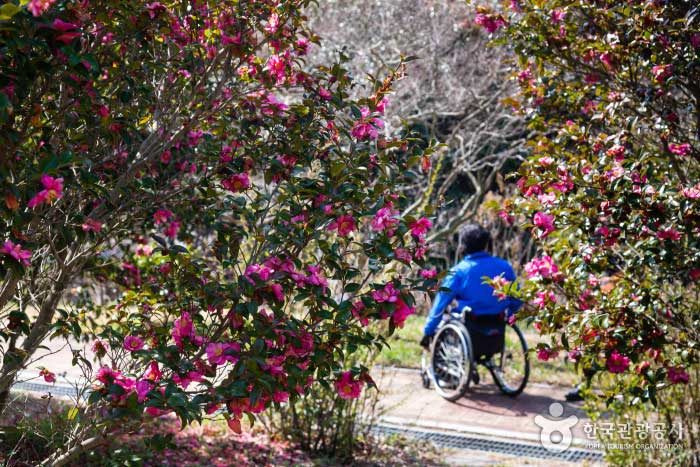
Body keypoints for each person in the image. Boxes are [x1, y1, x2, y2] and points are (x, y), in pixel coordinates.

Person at [420, 224, 522, 357]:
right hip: (497, 327)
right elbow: (516, 298)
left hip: (469, 327)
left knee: (443, 323)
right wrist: (510, 315)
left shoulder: (459, 271)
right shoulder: (504, 266)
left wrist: (428, 331)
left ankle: (443, 371)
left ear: (462, 245)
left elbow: (440, 304)